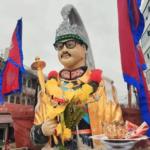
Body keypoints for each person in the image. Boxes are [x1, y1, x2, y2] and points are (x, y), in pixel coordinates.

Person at [30, 4, 123, 150]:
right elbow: (35, 139)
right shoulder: (47, 90)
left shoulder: (104, 87)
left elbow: (118, 131)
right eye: (60, 46)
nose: (64, 49)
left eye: (70, 44)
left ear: (84, 47)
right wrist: (41, 130)